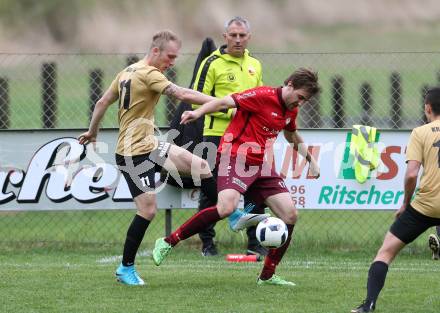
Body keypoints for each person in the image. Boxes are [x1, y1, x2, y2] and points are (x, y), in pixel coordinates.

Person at [152, 68, 321, 286]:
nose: (300, 103)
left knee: (290, 216)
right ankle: (168, 241)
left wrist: (310, 160)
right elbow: (224, 102)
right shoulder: (261, 96)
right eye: (300, 97)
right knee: (226, 208)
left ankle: (267, 276)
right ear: (289, 84)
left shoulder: (291, 109)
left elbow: (290, 134)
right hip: (234, 157)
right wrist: (198, 113)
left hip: (260, 164)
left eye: (304, 100)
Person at [78, 30, 219, 286]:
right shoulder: (149, 73)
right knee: (148, 210)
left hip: (151, 144)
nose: (172, 62)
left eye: (175, 57)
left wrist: (92, 131)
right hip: (133, 153)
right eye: (170, 56)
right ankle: (125, 268)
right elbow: (184, 95)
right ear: (155, 51)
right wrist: (224, 102)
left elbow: (101, 102)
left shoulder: (127, 71)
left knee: (199, 165)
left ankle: (230, 213)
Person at [351, 87, 440, 312]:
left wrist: (405, 203)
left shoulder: (420, 132)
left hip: (425, 207)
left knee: (386, 252)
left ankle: (368, 305)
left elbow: (411, 174)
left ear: (427, 108)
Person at [192, 16, 267, 257]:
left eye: (241, 35)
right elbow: (194, 96)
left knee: (254, 189)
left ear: (248, 37)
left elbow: (260, 97)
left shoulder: (255, 63)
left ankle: (255, 244)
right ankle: (207, 243)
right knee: (211, 189)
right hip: (216, 135)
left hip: (248, 138)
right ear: (225, 37)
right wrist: (228, 108)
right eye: (232, 35)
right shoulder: (212, 63)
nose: (237, 39)